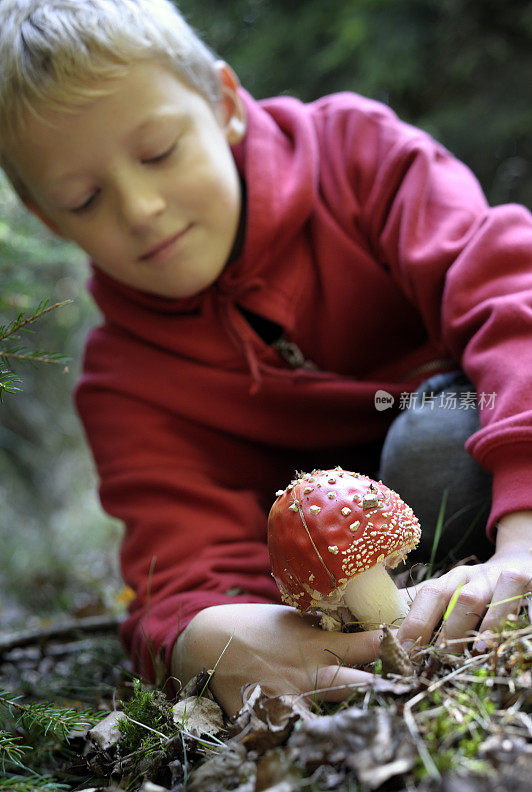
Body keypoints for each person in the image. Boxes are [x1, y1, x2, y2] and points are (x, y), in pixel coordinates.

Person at [1, 0, 531, 717]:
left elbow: (507, 297)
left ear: (224, 105)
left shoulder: (357, 154)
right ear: (46, 218)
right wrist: (215, 636)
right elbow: (179, 570)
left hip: (480, 435)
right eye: (84, 198)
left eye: (159, 152)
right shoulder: (125, 382)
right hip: (344, 559)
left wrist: (524, 531)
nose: (140, 208)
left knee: (428, 448)